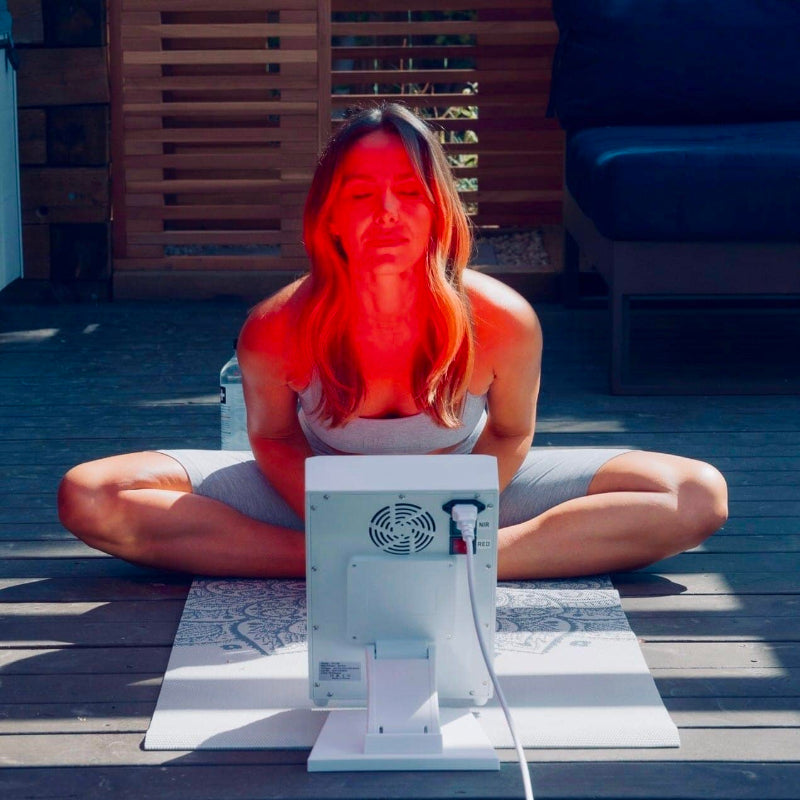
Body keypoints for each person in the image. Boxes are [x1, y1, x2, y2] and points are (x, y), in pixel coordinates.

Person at [57, 103, 728, 580]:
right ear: (330, 213)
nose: (385, 213)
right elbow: (276, 441)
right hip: (318, 496)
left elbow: (510, 436)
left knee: (695, 494)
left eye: (409, 191)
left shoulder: (503, 319)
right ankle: (339, 564)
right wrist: (338, 526)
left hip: (462, 492)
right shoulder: (275, 326)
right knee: (89, 494)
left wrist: (449, 520)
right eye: (360, 194)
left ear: (439, 207)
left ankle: (463, 565)